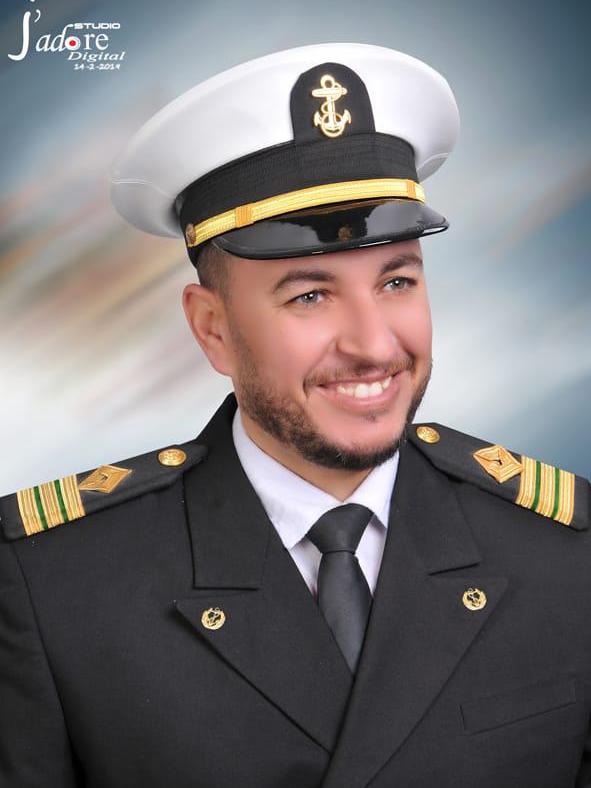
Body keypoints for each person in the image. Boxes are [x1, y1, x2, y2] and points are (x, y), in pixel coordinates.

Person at [0, 42, 589, 788]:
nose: (374, 345)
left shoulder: (564, 553)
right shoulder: (53, 583)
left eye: (397, 282)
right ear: (212, 328)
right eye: (309, 295)